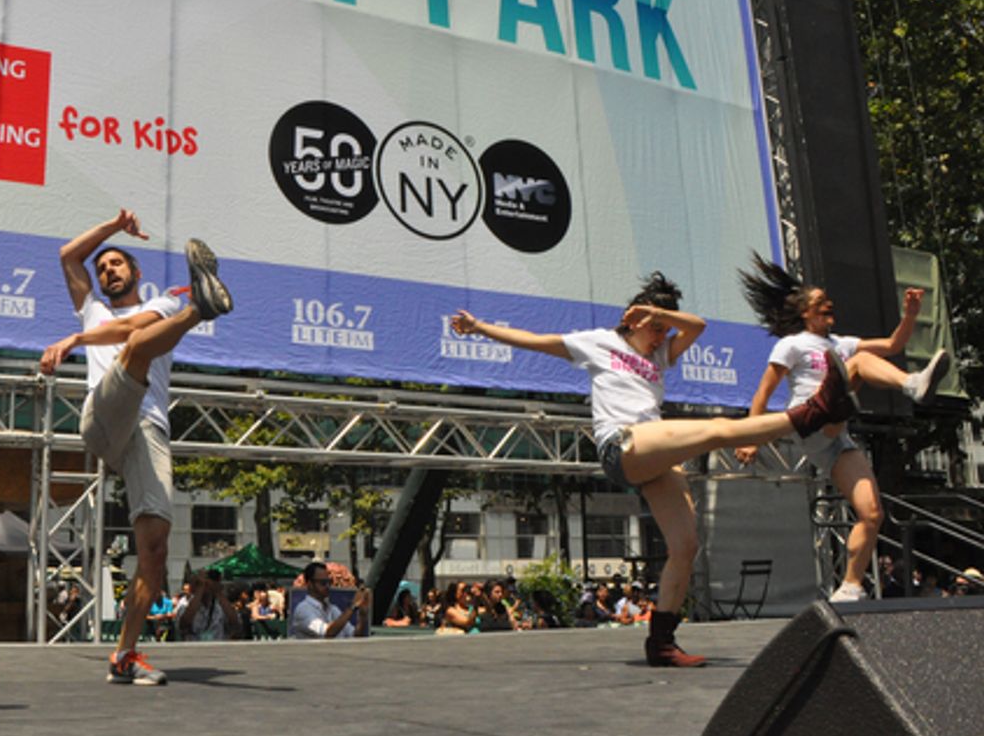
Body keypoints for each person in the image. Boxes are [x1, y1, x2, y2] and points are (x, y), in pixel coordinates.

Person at [451, 271, 857, 667]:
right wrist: (479, 326)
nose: (662, 339)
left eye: (665, 331)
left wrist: (655, 316)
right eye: (656, 330)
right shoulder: (600, 343)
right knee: (717, 431)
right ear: (633, 321)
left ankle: (661, 642)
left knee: (685, 545)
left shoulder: (662, 354)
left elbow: (697, 325)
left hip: (655, 455)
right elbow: (536, 342)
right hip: (622, 446)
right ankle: (812, 413)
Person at [40, 209, 232, 685]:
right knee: (132, 354)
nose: (107, 271)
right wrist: (111, 226)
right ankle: (202, 310)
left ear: (136, 273)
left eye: (117, 264)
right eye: (102, 267)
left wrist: (79, 338)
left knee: (154, 549)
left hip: (147, 430)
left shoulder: (162, 302)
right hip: (104, 420)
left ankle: (125, 654)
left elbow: (133, 329)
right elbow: (69, 256)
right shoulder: (92, 309)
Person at [736, 254, 952, 601]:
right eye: (821, 302)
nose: (828, 305)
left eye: (828, 301)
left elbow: (893, 345)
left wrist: (910, 314)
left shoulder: (842, 343)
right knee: (860, 363)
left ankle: (850, 586)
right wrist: (751, 439)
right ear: (805, 313)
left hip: (835, 434)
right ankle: (913, 385)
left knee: (871, 512)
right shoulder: (792, 344)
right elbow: (763, 393)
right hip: (809, 417)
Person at [289, 561, 370, 639]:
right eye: (323, 583)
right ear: (310, 584)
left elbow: (354, 635)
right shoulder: (303, 609)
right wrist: (353, 606)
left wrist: (362, 617)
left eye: (329, 582)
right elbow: (328, 633)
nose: (327, 586)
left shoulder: (333, 609)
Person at [178, 570, 238, 641]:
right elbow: (184, 623)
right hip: (194, 648)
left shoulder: (221, 605)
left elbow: (234, 621)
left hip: (217, 647)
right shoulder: (184, 603)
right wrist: (200, 588)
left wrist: (217, 591)